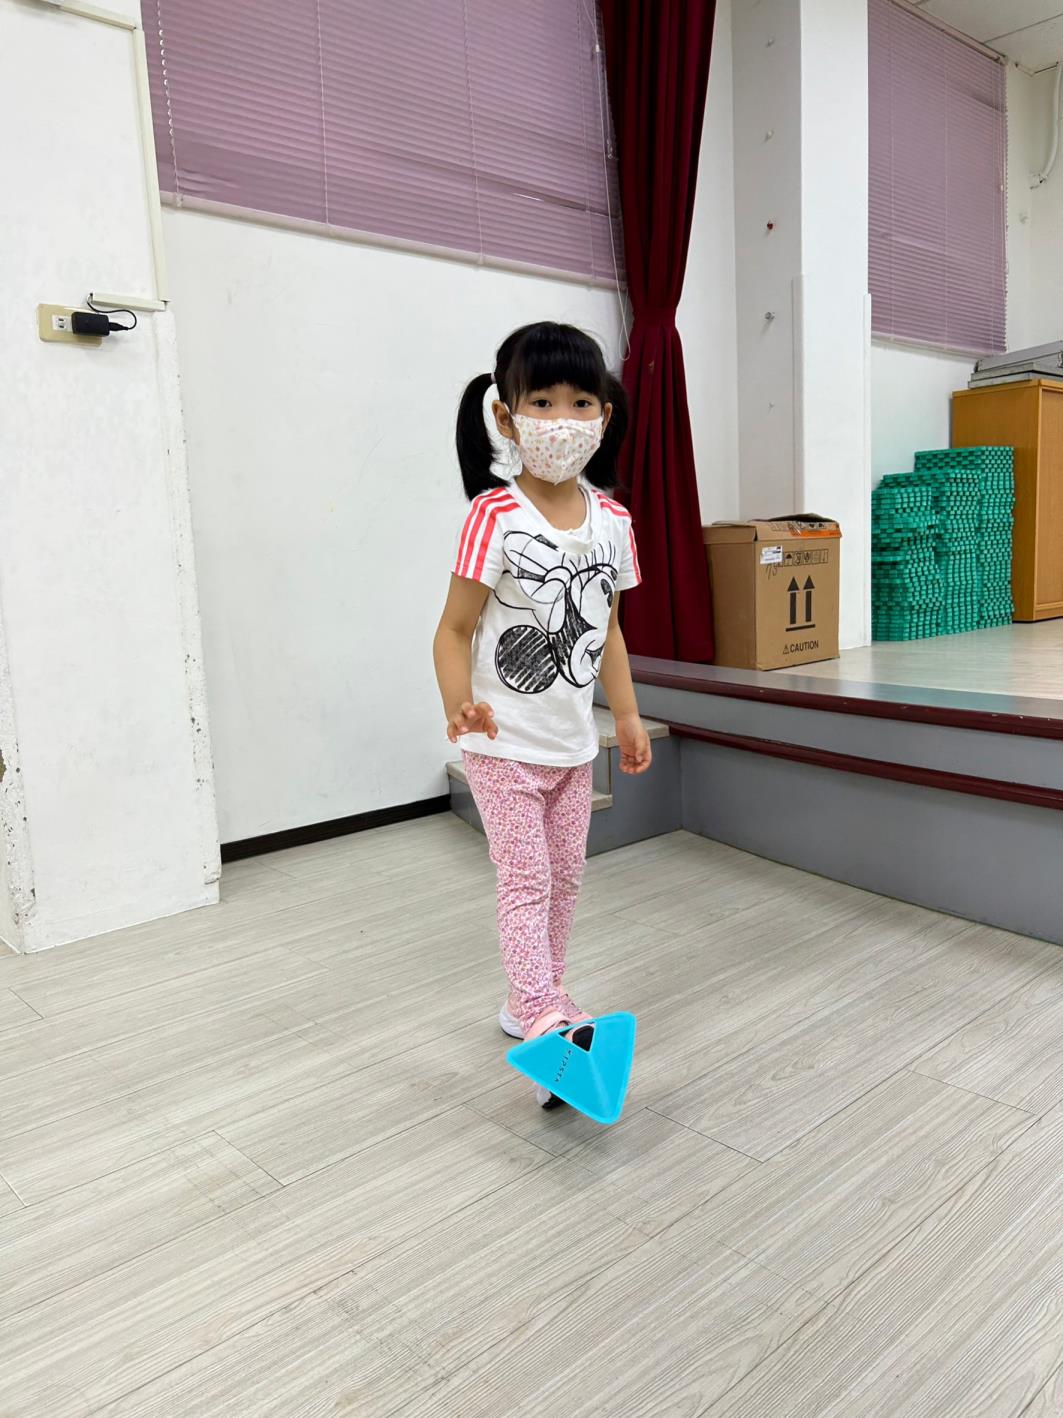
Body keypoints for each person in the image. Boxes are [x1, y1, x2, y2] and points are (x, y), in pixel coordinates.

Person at [433, 321, 653, 1060]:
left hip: (571, 743)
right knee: (526, 880)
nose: (563, 420)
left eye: (581, 403)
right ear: (507, 416)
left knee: (566, 881)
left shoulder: (614, 522)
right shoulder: (494, 515)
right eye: (543, 402)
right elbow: (453, 631)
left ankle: (536, 996)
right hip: (503, 745)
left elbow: (609, 633)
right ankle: (538, 1011)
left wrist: (627, 716)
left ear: (604, 417)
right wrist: (459, 705)